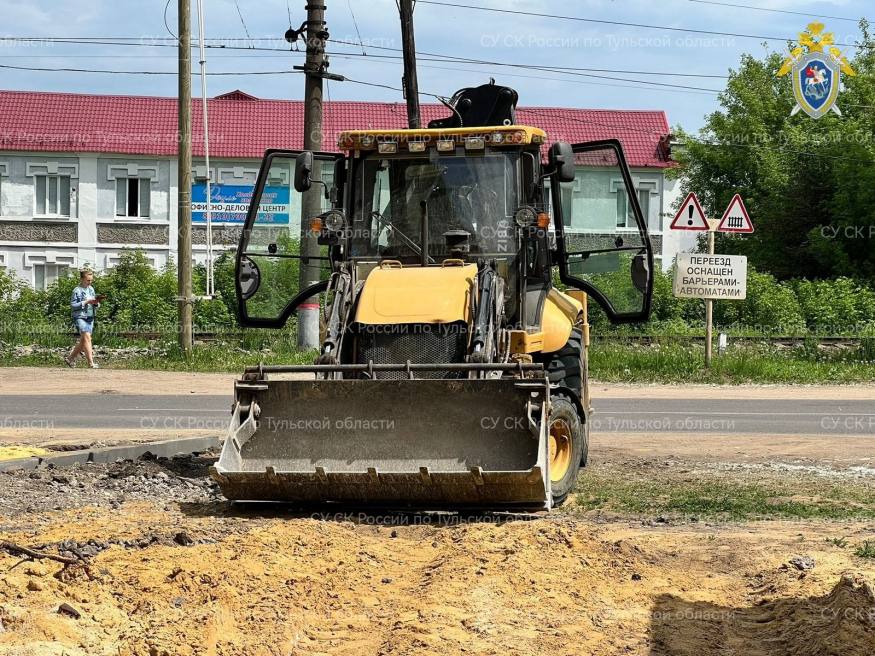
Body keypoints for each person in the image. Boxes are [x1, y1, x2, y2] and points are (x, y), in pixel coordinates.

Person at [65, 270, 101, 369]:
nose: (90, 282)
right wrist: (85, 302)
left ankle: (70, 358)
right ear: (82, 279)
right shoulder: (76, 290)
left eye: (91, 280)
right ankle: (91, 363)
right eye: (88, 280)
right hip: (80, 317)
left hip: (90, 317)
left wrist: (96, 303)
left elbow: (95, 303)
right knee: (87, 338)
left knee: (84, 340)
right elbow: (73, 305)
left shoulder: (91, 289)